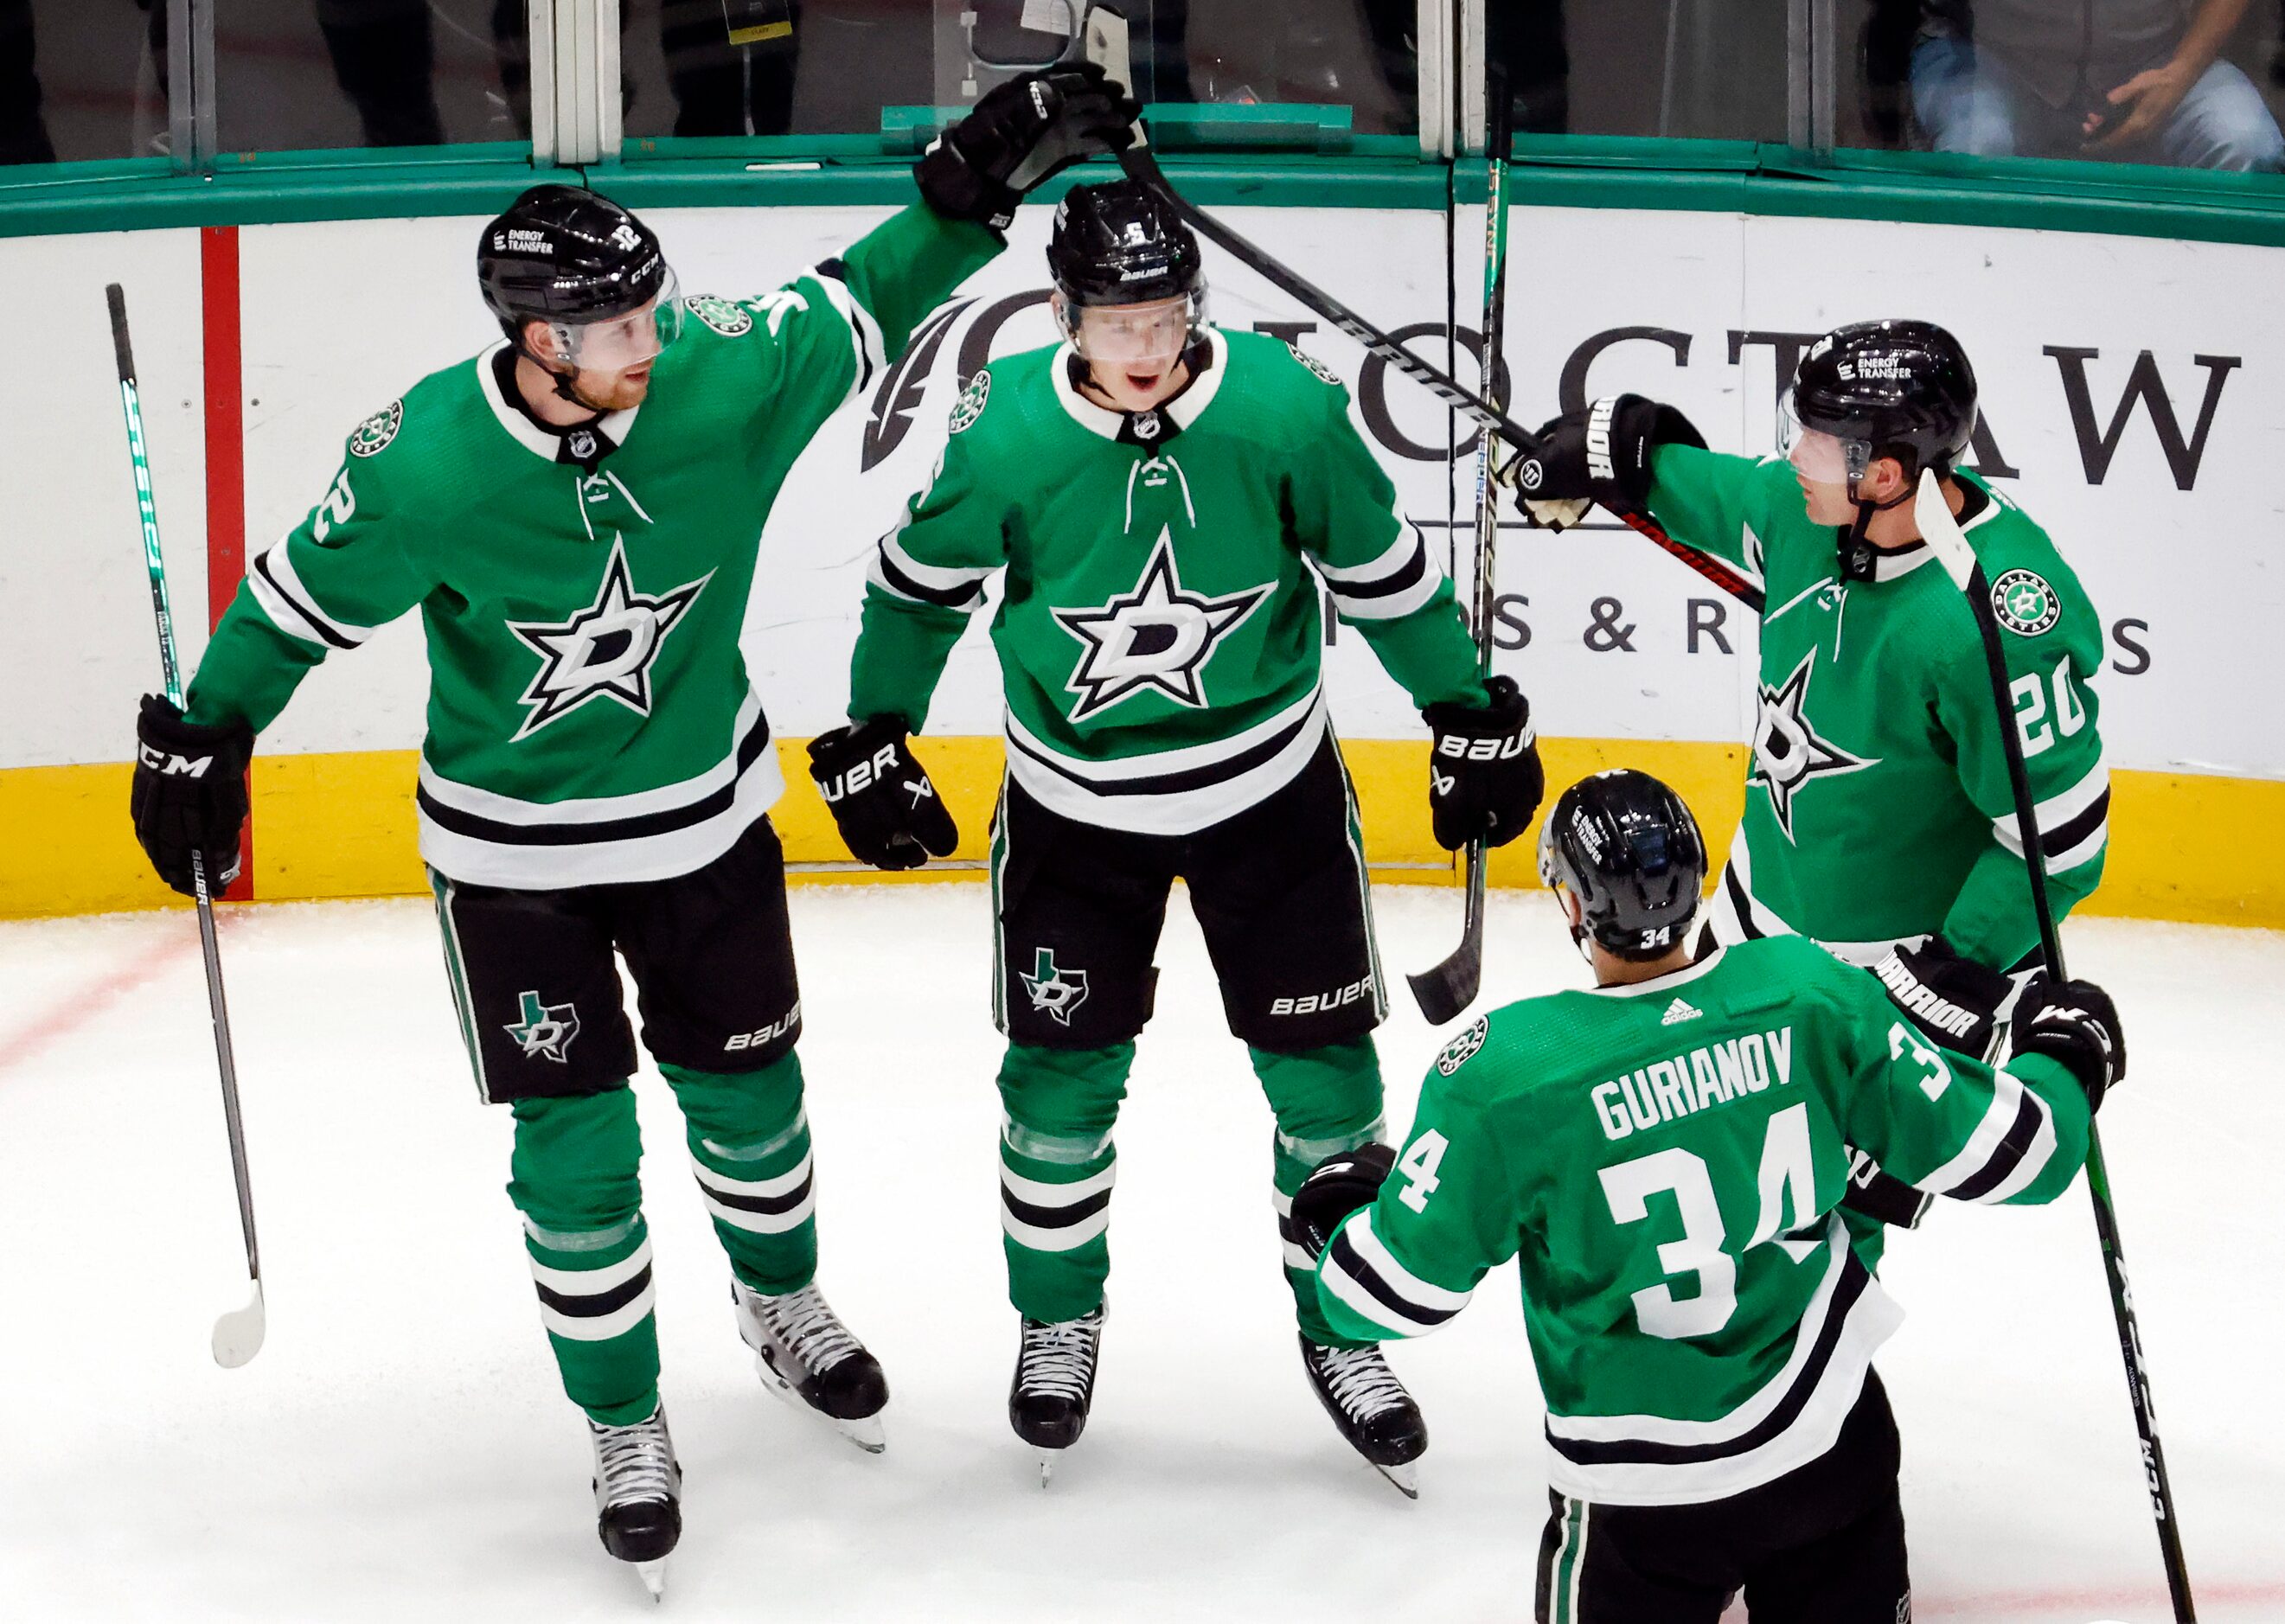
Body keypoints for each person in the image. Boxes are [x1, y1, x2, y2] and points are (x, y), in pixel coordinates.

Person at [125, 66, 1137, 1595]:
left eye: (653, 314)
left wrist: (976, 176)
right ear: (535, 345)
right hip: (515, 867)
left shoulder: (716, 372)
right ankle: (623, 1418)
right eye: (616, 333)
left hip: (706, 828)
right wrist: (205, 733)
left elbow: (864, 296)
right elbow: (291, 606)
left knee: (754, 1109)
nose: (651, 347)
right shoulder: (421, 464)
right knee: (576, 1150)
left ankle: (780, 1302)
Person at [807, 178, 1544, 1493]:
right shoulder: (1002, 433)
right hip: (1075, 815)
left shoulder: (1281, 406)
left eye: (1164, 316)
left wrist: (1463, 707)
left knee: (1327, 1088)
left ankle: (1345, 1323)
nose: (1144, 349)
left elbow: (1381, 573)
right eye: (1115, 322)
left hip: (1272, 797)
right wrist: (877, 729)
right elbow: (915, 593)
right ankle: (1058, 1317)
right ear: (1061, 314)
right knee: (1056, 1093)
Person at [1293, 769, 2123, 1619]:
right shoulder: (1810, 992)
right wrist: (2062, 1054)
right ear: (1696, 886)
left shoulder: (1505, 1078)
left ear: (1573, 908)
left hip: (1642, 1493)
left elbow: (1387, 1297)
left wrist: (1344, 1216)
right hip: (1831, 1444)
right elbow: (2024, 1155)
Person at [1505, 319, 2108, 1238]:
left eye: (1819, 442)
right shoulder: (1805, 512)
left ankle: (1813, 1374)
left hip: (1882, 978)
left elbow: (2057, 846)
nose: (1794, 455)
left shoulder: (1991, 622)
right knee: (1708, 1180)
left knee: (1820, 1224)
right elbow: (1701, 486)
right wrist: (1610, 450)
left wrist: (1945, 972)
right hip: (1750, 924)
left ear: (1888, 472)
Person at [1907, 0, 2283, 169]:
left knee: (2248, 145)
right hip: (1992, 57)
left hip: (2155, 57)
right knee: (1975, 151)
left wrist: (2179, 72)